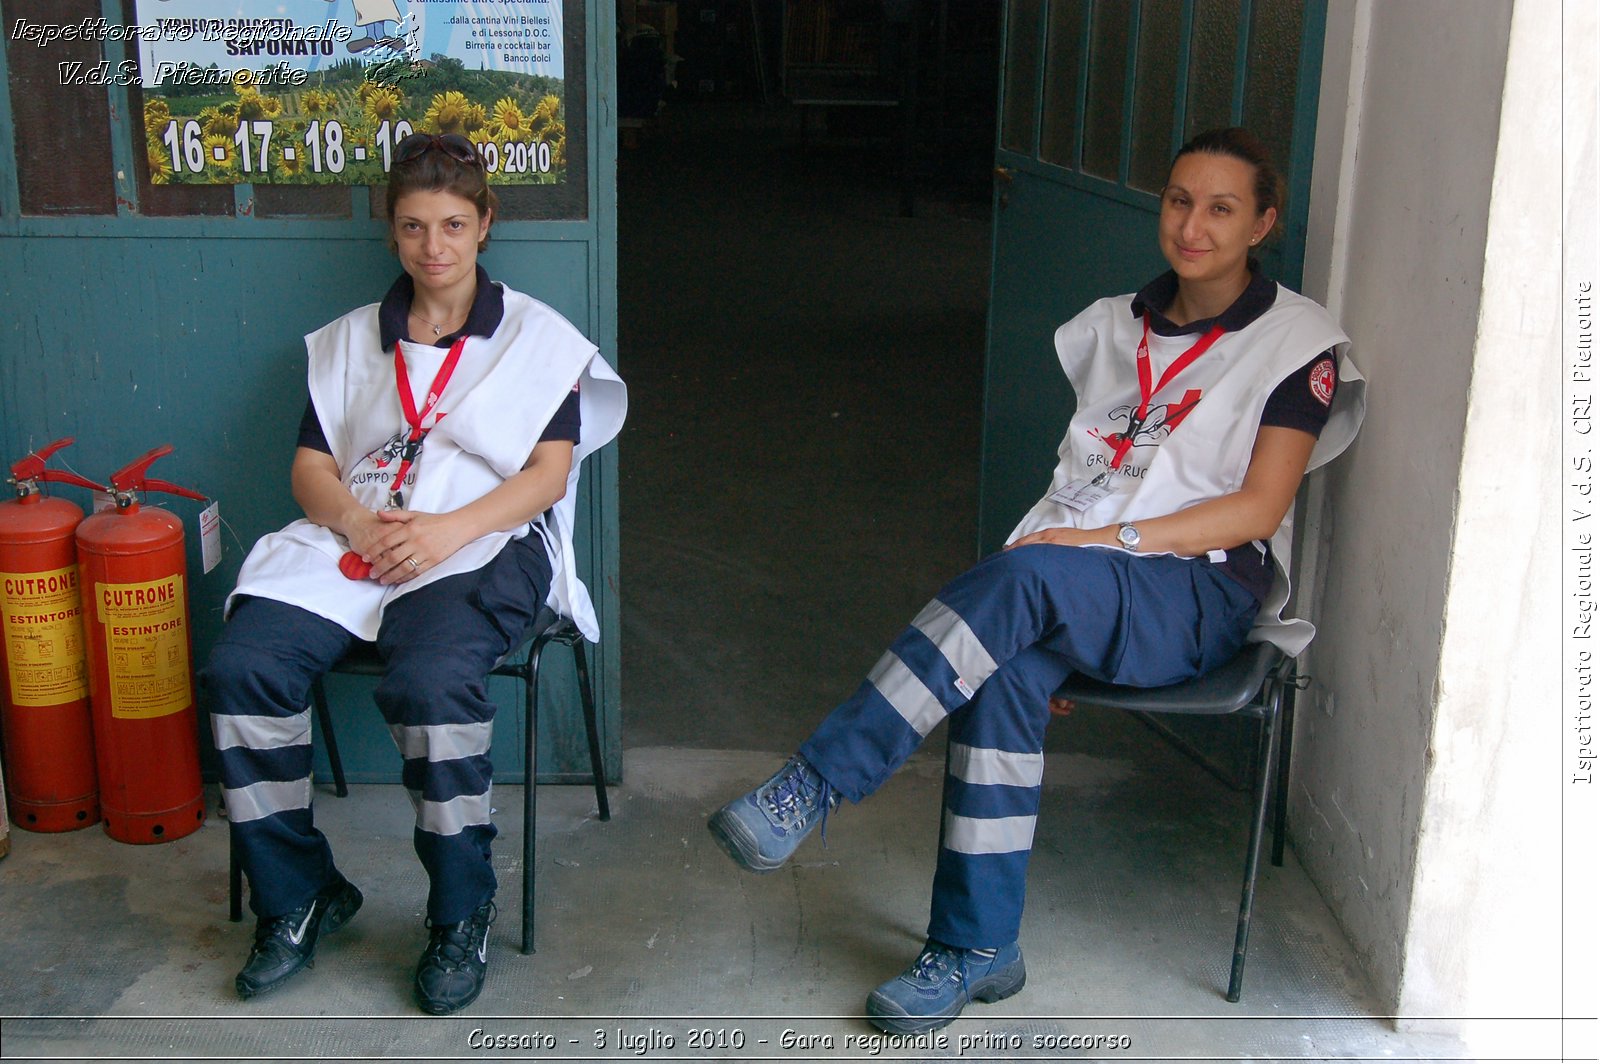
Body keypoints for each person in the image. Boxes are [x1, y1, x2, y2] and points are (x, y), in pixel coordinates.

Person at [708, 128, 1365, 1034]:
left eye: (1222, 207)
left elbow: (1257, 509)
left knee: (1027, 586)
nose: (1194, 225)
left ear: (1264, 220)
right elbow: (1079, 485)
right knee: (1003, 672)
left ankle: (817, 782)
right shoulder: (1116, 324)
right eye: (1179, 200)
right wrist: (1051, 601)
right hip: (1091, 581)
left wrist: (1100, 552)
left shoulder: (1299, 344)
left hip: (1199, 593)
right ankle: (977, 948)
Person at [204, 132, 625, 1015]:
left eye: (452, 225)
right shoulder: (355, 340)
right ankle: (297, 893)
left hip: (482, 538)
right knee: (243, 671)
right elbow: (312, 469)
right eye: (412, 226)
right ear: (389, 231)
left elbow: (547, 474)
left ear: (484, 226)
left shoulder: (535, 339)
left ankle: (460, 910)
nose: (433, 247)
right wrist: (357, 521)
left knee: (433, 683)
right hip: (358, 533)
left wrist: (444, 534)